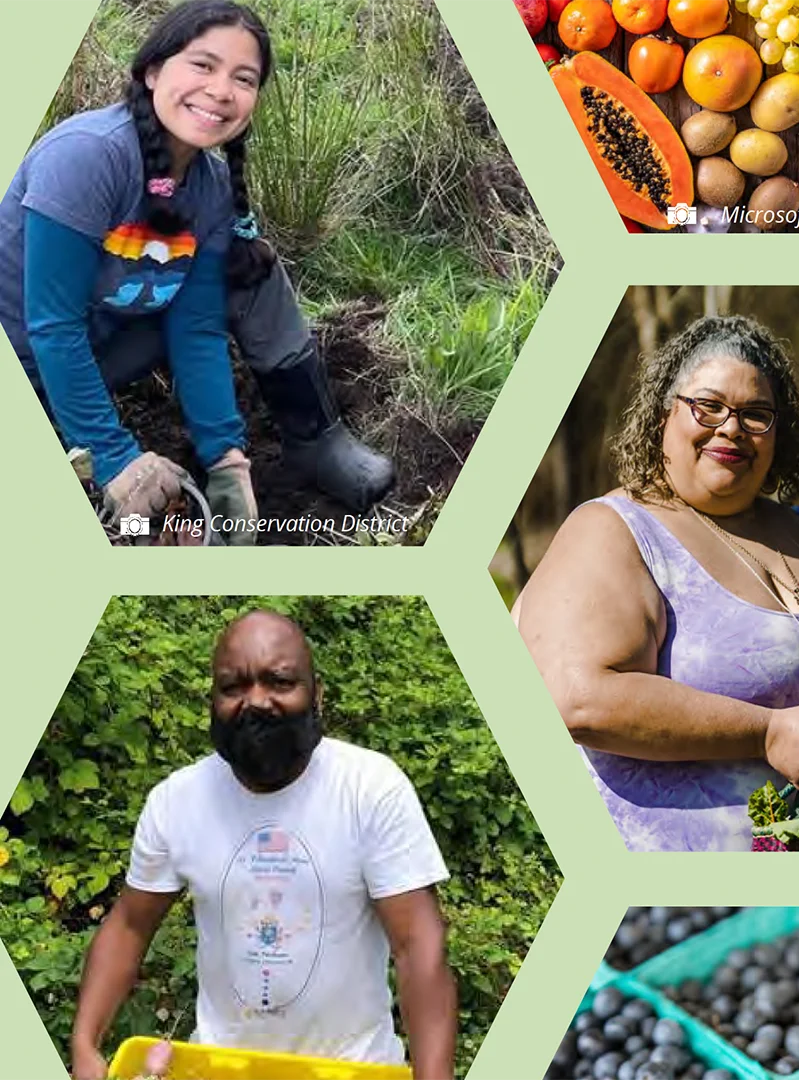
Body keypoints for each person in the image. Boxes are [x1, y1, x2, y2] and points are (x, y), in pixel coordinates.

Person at [514, 315, 799, 852]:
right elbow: (579, 698)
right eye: (708, 406)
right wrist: (766, 732)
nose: (732, 428)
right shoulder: (612, 531)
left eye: (755, 415)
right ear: (663, 414)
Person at [0, 1, 394, 543]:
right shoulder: (87, 158)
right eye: (202, 65)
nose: (220, 90)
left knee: (250, 269)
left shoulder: (209, 192)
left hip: (104, 347)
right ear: (153, 70)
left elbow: (197, 329)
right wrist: (115, 458)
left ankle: (316, 442)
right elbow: (52, 326)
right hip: (25, 361)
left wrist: (226, 458)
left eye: (244, 78)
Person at [69, 610, 457, 1080]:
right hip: (219, 1069)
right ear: (212, 701)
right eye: (234, 686)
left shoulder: (369, 789)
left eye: (279, 681)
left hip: (350, 1069)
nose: (256, 702)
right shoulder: (177, 801)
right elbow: (130, 926)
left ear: (317, 694)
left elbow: (419, 944)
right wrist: (85, 1043)